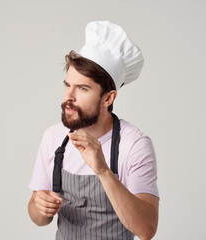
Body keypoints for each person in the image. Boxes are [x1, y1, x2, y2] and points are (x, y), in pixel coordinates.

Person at [28, 21, 159, 240]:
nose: (69, 96)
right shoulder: (53, 137)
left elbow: (147, 229)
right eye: (67, 84)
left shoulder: (134, 145)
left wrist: (103, 171)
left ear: (108, 98)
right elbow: (38, 218)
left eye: (82, 88)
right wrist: (40, 206)